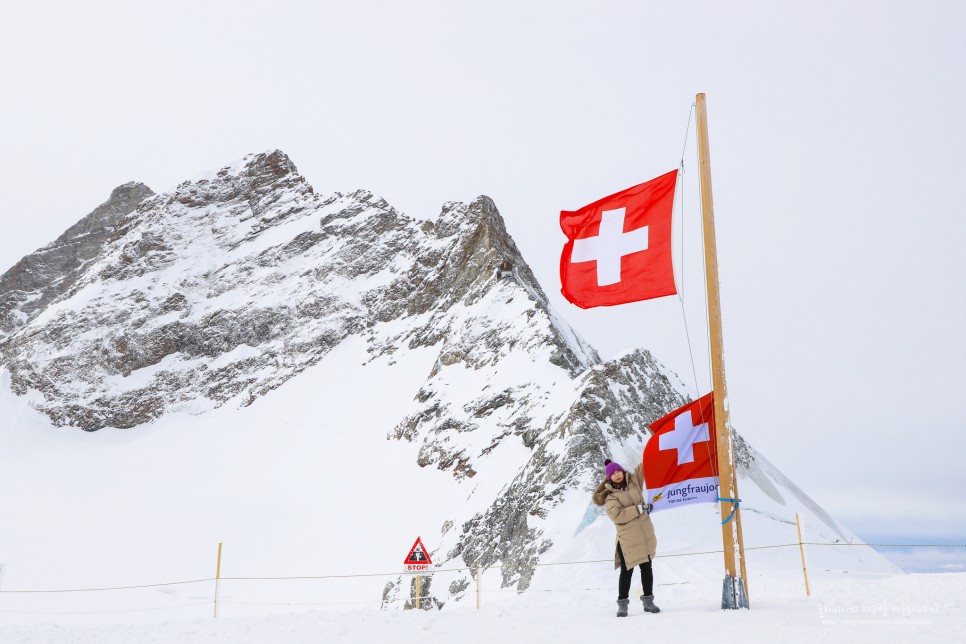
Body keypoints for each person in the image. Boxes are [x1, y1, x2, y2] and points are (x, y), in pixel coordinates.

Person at [593, 458, 660, 617]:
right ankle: (622, 604)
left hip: (644, 535)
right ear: (609, 478)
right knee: (626, 571)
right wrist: (639, 509)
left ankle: (648, 602)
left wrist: (655, 443)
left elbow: (645, 464)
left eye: (618, 471)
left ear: (622, 471)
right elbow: (618, 515)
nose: (617, 474)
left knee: (646, 568)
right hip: (627, 539)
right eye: (613, 473)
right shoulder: (610, 496)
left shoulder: (635, 481)